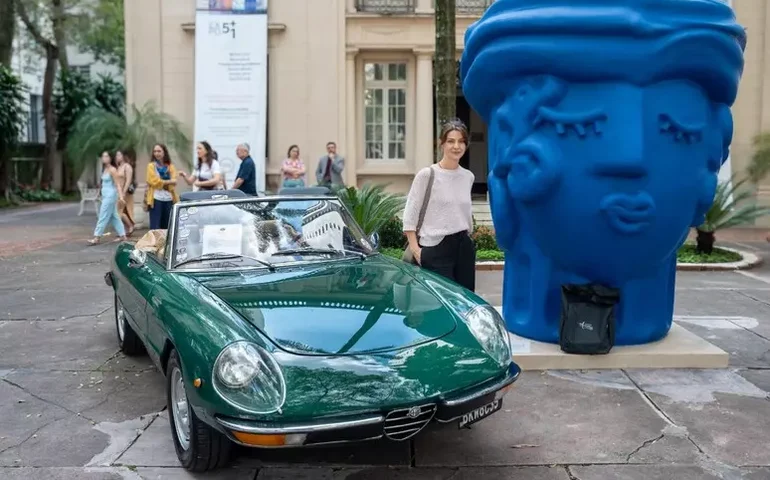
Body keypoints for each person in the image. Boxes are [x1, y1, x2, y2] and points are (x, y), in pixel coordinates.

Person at [402, 120, 476, 291]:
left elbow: (463, 212)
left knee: (465, 301)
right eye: (451, 141)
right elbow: (410, 215)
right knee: (439, 302)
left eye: (461, 141)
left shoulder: (468, 177)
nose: (456, 146)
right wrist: (416, 250)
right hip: (435, 246)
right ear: (442, 144)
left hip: (463, 246)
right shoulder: (427, 174)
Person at [88, 151, 127, 245]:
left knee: (103, 214)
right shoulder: (105, 169)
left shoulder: (113, 170)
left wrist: (121, 197)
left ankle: (97, 237)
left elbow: (117, 184)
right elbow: (103, 184)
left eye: (106, 156)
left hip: (111, 195)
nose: (104, 158)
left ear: (110, 158)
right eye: (103, 156)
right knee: (114, 216)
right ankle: (123, 236)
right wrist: (99, 193)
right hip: (105, 195)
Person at [145, 143, 179, 230]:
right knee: (155, 227)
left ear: (164, 152)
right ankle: (155, 243)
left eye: (159, 151)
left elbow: (174, 181)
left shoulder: (170, 166)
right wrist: (169, 181)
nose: (157, 153)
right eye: (155, 151)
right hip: (156, 198)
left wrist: (163, 182)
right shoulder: (151, 166)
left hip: (169, 199)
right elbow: (153, 181)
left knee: (168, 226)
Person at [115, 149, 136, 237]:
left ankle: (130, 226)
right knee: (119, 211)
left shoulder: (127, 166)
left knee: (119, 211)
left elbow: (128, 180)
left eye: (119, 155)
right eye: (116, 155)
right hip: (118, 192)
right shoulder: (119, 167)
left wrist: (123, 192)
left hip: (125, 192)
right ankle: (126, 228)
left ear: (123, 156)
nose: (117, 157)